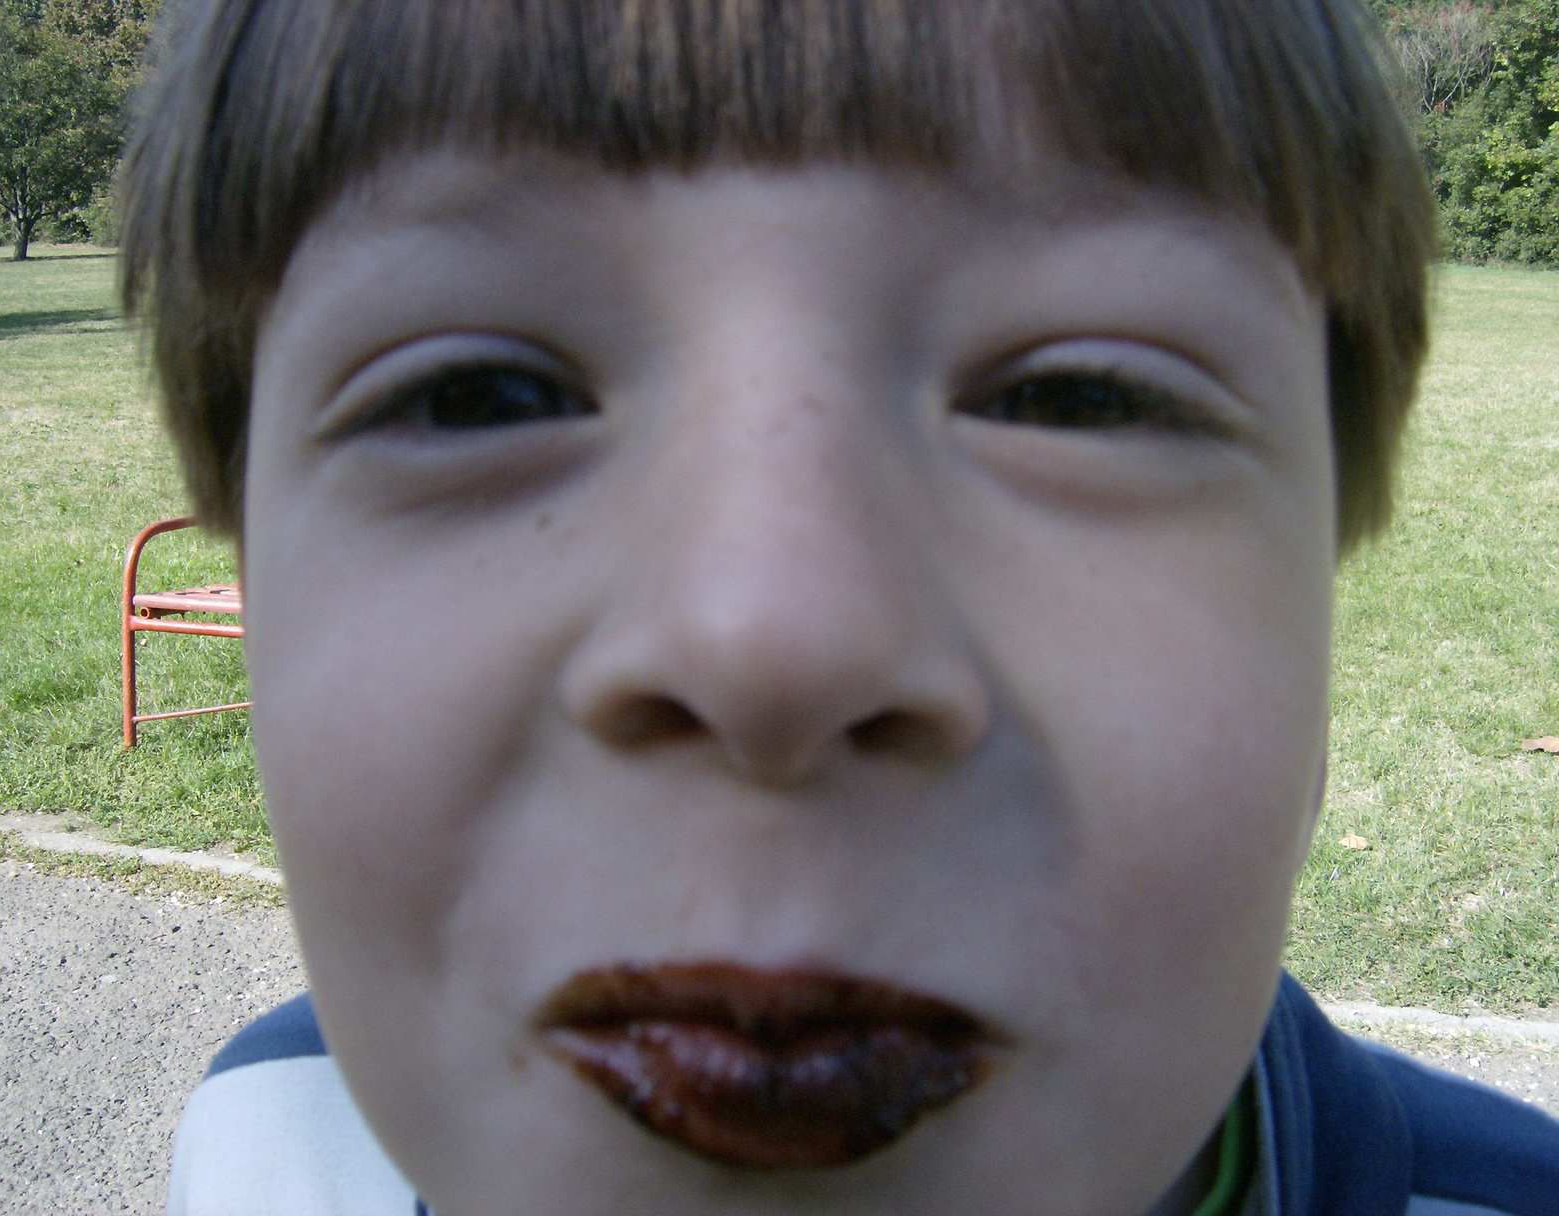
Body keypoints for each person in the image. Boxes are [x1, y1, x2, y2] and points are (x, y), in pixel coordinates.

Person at [120, 1, 1559, 1213]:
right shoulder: (257, 1150)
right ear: (258, 574)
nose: (771, 636)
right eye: (476, 396)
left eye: (1078, 398)